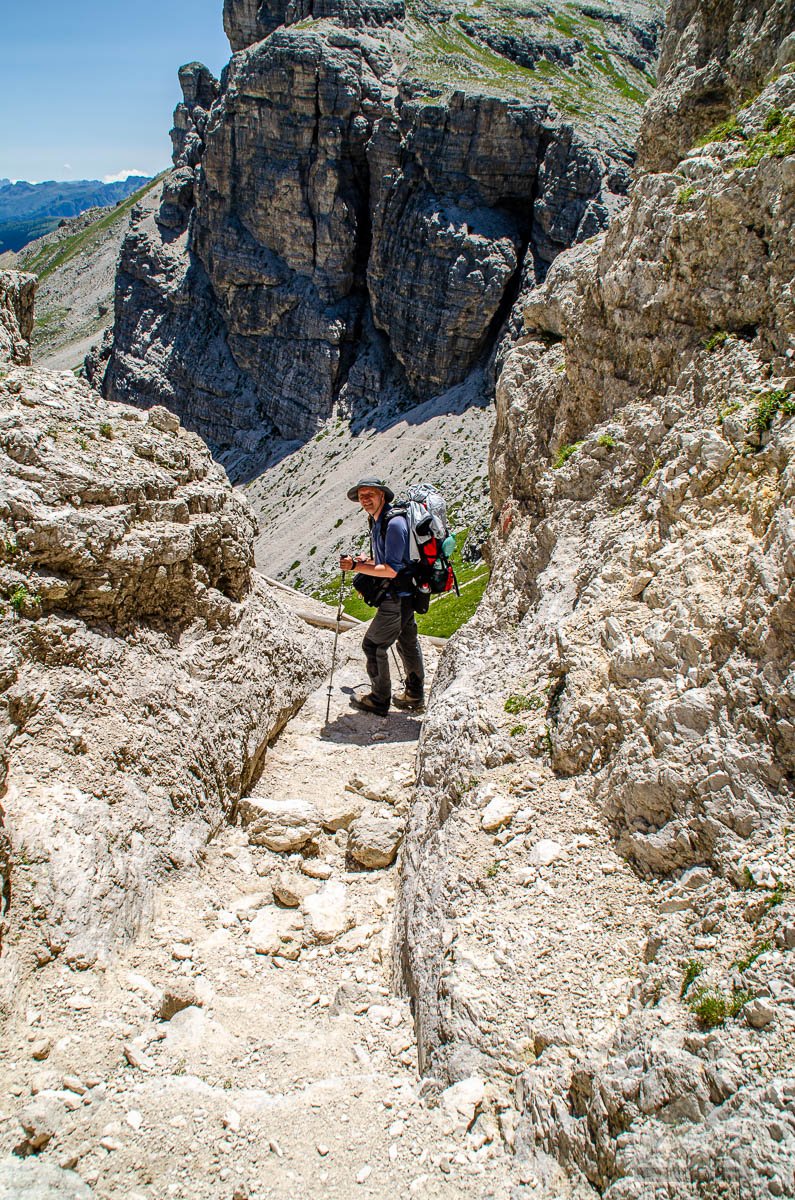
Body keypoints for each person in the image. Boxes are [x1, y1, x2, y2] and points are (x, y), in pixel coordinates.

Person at [340, 477, 425, 716]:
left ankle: (378, 699)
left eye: (370, 494)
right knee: (407, 642)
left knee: (373, 645)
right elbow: (386, 560)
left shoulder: (394, 523)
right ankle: (414, 694)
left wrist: (355, 567)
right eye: (361, 496)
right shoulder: (379, 520)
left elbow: (391, 569)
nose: (365, 499)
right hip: (405, 594)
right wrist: (363, 562)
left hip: (396, 597)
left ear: (382, 495)